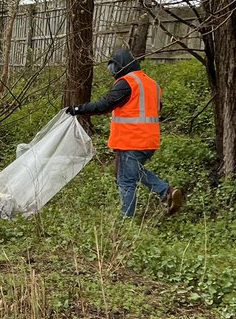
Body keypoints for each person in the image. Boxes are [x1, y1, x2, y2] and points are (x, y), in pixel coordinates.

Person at [66, 47, 185, 218]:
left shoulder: (127, 83)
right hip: (149, 141)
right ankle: (166, 192)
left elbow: (105, 105)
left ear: (122, 65)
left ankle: (126, 220)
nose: (112, 72)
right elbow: (157, 108)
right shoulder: (152, 84)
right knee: (133, 171)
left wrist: (77, 109)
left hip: (131, 140)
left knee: (126, 180)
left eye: (113, 67)